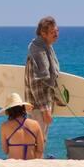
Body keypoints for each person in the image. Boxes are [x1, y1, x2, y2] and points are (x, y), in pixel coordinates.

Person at [24, 16, 66, 144]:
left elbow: (49, 80)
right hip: (38, 107)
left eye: (57, 31)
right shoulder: (38, 50)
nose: (56, 34)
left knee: (39, 141)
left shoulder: (46, 47)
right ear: (43, 33)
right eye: (53, 32)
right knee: (38, 142)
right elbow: (36, 83)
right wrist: (45, 110)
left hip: (42, 104)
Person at [0, 92, 45, 160]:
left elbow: (5, 151)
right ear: (23, 108)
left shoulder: (4, 126)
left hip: (14, 163)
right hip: (31, 162)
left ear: (8, 111)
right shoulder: (35, 124)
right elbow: (41, 149)